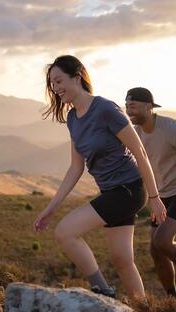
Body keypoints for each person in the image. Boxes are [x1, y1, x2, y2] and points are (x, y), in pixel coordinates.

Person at [33, 55, 166, 301]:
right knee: (122, 260)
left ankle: (102, 290)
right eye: (52, 84)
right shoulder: (73, 119)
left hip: (128, 189)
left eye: (60, 80)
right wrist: (50, 208)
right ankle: (143, 306)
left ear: (77, 77)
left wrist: (155, 197)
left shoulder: (105, 109)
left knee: (65, 232)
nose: (56, 88)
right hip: (111, 192)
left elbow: (140, 152)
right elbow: (75, 168)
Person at [125, 87, 176, 300]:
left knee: (162, 241)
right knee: (155, 249)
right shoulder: (137, 133)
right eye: (127, 106)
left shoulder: (172, 128)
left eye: (132, 106)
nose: (128, 111)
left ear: (148, 106)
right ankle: (173, 300)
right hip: (161, 196)